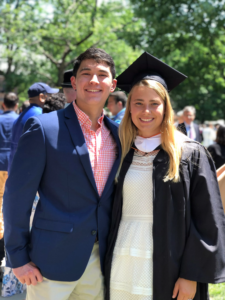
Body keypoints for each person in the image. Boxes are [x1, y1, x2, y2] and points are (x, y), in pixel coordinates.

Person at [104, 52, 225, 300]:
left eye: (154, 103)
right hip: (122, 257)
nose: (145, 110)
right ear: (128, 107)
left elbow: (207, 220)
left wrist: (191, 274)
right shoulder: (122, 149)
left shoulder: (189, 153)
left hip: (170, 263)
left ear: (166, 106)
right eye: (138, 102)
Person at [3, 47, 120, 300]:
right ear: (74, 82)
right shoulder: (44, 127)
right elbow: (16, 196)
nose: (94, 80)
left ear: (113, 85)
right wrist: (18, 258)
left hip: (101, 262)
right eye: (86, 73)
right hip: (49, 264)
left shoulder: (119, 135)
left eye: (102, 74)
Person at [8, 82, 59, 172]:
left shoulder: (21, 115)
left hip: (16, 170)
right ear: (42, 97)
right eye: (50, 95)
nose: (52, 98)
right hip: (28, 172)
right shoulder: (40, 115)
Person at [0, 93, 18, 239]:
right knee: (11, 199)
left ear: (3, 105)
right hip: (14, 164)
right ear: (17, 105)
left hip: (0, 162)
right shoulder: (19, 120)